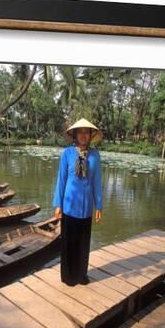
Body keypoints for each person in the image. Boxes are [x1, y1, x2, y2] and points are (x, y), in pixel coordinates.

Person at [53, 118, 103, 286]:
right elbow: (61, 179)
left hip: (86, 207)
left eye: (86, 132)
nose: (83, 135)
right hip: (69, 206)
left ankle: (81, 274)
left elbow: (97, 181)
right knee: (68, 243)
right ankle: (68, 276)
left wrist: (99, 205)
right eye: (80, 132)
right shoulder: (67, 154)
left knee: (83, 244)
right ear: (74, 134)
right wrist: (58, 204)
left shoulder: (95, 155)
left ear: (90, 135)